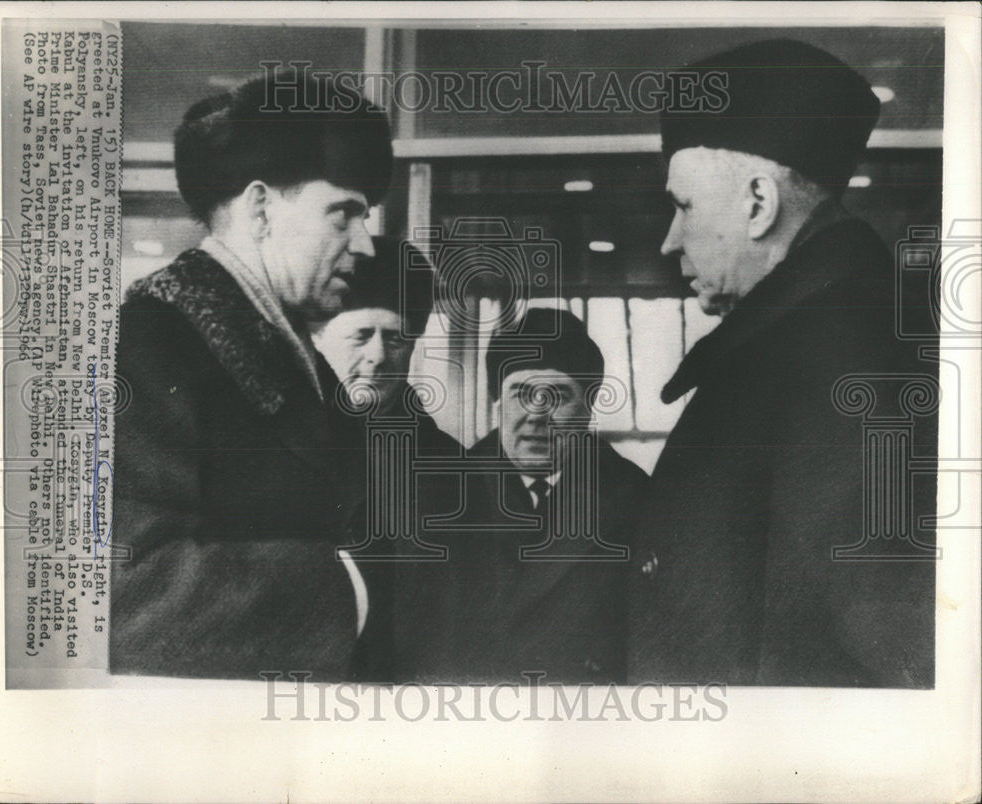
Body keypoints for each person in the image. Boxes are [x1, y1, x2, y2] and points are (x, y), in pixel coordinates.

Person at [627, 39, 937, 687]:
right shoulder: (829, 329)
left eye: (683, 206)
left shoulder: (846, 346)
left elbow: (876, 633)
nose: (669, 239)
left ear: (759, 203)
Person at [110, 70, 394, 680]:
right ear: (261, 207)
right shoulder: (148, 338)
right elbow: (121, 594)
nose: (366, 245)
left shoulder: (290, 348)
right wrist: (350, 587)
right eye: (343, 214)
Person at [395, 307, 652, 684]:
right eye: (520, 393)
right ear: (498, 402)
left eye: (557, 396)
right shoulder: (442, 495)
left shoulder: (632, 498)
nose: (535, 415)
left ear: (588, 408)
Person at [309, 236, 463, 680]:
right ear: (320, 339)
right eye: (361, 336)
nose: (377, 356)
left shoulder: (450, 464)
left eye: (395, 339)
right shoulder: (282, 451)